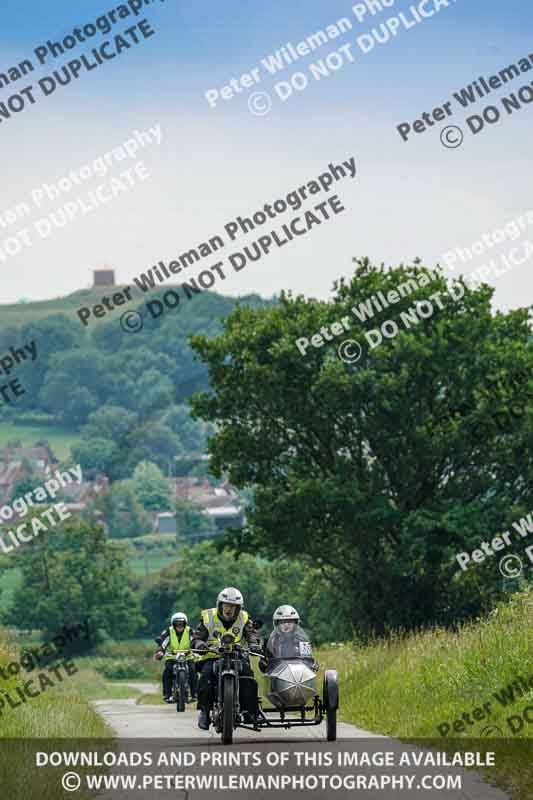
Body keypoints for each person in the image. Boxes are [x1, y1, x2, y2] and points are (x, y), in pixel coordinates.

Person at [191, 586, 260, 730]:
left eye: (233, 607)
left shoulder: (244, 617)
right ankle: (204, 712)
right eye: (226, 605)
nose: (229, 609)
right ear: (220, 605)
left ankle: (249, 711)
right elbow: (197, 637)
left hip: (237, 655)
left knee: (248, 677)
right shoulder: (208, 616)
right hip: (213, 655)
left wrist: (253, 644)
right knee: (205, 677)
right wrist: (201, 644)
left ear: (238, 608)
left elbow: (251, 633)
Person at [260, 605, 319, 672]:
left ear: (295, 623)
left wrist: (313, 664)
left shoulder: (302, 640)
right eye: (282, 622)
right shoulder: (270, 641)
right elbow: (263, 665)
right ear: (277, 624)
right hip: (276, 677)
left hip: (299, 675)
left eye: (290, 622)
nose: (286, 624)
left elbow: (308, 660)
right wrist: (263, 663)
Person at [154, 612, 197, 702]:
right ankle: (167, 694)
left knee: (193, 671)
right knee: (167, 672)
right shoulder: (168, 631)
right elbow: (163, 643)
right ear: (173, 624)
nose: (179, 626)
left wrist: (197, 649)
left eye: (181, 623)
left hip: (187, 656)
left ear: (185, 623)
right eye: (177, 623)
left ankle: (194, 694)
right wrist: (160, 652)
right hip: (172, 657)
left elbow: (195, 642)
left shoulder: (190, 631)